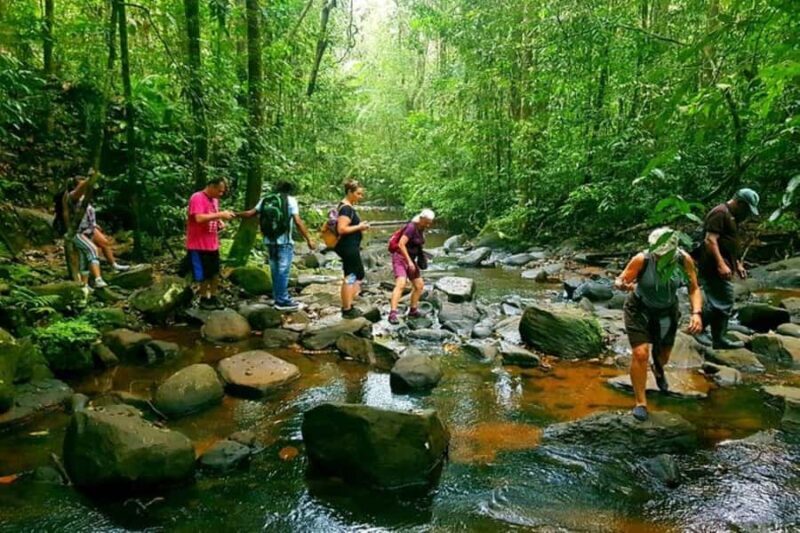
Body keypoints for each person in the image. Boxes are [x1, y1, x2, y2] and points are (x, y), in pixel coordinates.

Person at [615, 227, 703, 422]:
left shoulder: (683, 260)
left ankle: (658, 368)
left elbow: (694, 288)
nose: (661, 257)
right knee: (640, 354)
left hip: (667, 312)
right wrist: (622, 285)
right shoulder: (642, 259)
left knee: (663, 356)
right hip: (639, 309)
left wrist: (696, 313)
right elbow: (621, 280)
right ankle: (641, 403)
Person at [237, 180, 316, 311]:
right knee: (283, 271)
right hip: (284, 242)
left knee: (275, 271)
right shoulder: (290, 200)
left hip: (269, 241)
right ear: (289, 189)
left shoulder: (266, 200)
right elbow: (297, 221)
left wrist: (233, 214)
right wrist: (308, 239)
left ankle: (277, 297)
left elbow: (250, 213)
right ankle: (282, 301)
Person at [696, 188, 759, 349]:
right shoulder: (720, 213)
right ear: (740, 203)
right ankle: (708, 333)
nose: (747, 214)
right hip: (712, 266)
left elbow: (728, 243)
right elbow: (710, 240)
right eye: (747, 209)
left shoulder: (732, 216)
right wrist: (720, 264)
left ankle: (711, 334)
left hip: (724, 264)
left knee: (721, 301)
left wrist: (737, 263)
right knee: (724, 300)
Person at [185, 177, 235, 309]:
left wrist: (219, 222)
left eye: (222, 191)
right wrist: (220, 215)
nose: (221, 194)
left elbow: (213, 215)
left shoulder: (214, 200)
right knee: (204, 274)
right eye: (219, 191)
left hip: (212, 244)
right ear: (211, 186)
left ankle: (213, 296)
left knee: (215, 273)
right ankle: (203, 298)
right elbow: (199, 218)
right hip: (198, 244)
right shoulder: (197, 197)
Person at [388, 209, 434, 324]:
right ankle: (392, 314)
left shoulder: (421, 228)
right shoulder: (411, 227)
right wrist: (409, 261)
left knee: (419, 285)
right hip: (400, 258)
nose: (428, 225)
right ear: (421, 218)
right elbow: (401, 244)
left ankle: (413, 310)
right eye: (426, 222)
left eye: (430, 223)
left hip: (411, 259)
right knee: (401, 284)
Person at [62, 176, 109, 288]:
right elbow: (79, 189)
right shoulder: (71, 196)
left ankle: (84, 285)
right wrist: (90, 178)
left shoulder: (84, 198)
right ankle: (98, 279)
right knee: (93, 250)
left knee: (84, 259)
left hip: (87, 232)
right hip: (77, 232)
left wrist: (94, 225)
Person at [335, 179, 370, 318]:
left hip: (351, 246)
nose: (360, 197)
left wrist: (359, 227)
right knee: (350, 276)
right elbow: (342, 229)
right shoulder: (346, 208)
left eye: (361, 194)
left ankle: (350, 302)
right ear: (349, 192)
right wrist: (360, 226)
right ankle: (347, 308)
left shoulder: (347, 207)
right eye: (358, 194)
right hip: (348, 247)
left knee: (358, 274)